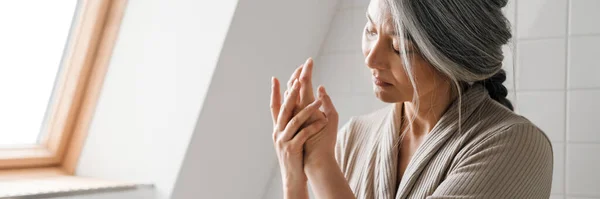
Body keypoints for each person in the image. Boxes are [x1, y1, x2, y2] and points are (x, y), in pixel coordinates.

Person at [269, 0, 553, 198]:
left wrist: (320, 164)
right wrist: (294, 177)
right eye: (370, 30)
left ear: (452, 57)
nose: (371, 58)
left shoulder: (516, 146)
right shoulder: (353, 138)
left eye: (399, 47)